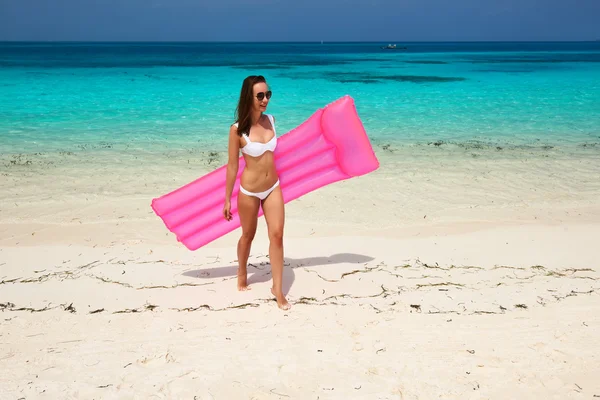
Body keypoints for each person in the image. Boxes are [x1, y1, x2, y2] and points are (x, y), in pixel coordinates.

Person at [223, 75, 290, 311]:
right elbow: (232, 166)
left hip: (273, 187)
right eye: (260, 96)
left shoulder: (271, 120)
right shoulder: (236, 130)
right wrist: (227, 199)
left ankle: (278, 289)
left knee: (278, 235)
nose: (265, 100)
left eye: (268, 94)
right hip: (249, 191)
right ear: (248, 98)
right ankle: (241, 271)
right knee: (248, 235)